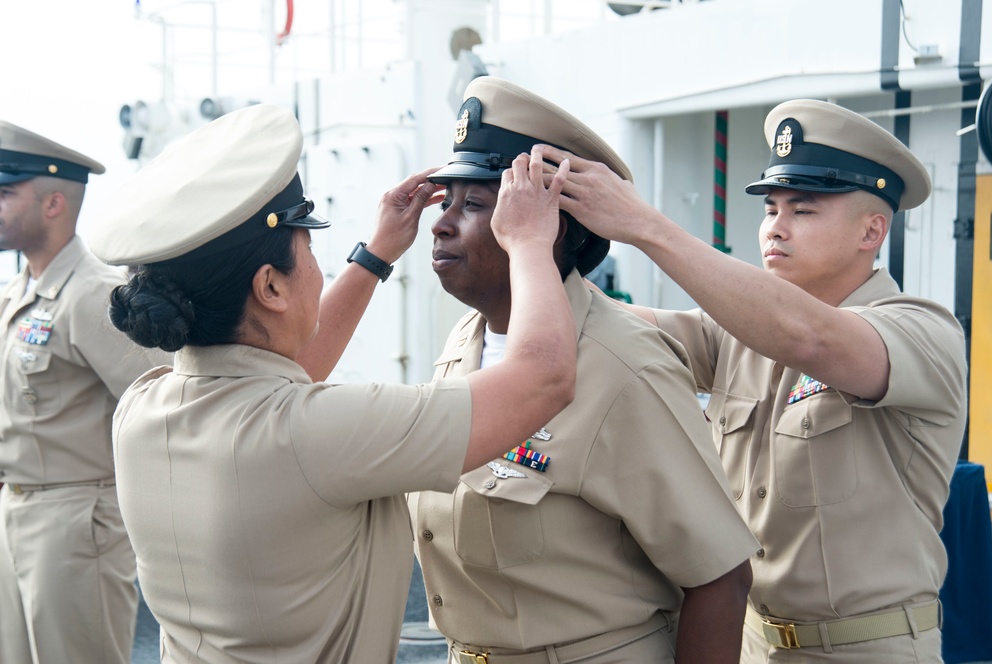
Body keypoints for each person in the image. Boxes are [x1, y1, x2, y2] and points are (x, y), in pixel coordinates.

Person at [86, 102, 578, 664]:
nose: (317, 268)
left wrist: (378, 252)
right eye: (309, 248)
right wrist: (532, 241)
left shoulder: (144, 406)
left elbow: (275, 383)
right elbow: (543, 379)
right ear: (270, 287)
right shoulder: (316, 433)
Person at [536, 99, 967, 662]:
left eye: (803, 211)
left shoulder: (920, 330)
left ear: (872, 230)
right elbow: (620, 327)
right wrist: (540, 245)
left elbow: (809, 337)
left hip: (867, 647)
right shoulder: (741, 332)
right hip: (749, 641)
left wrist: (645, 226)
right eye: (771, 209)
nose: (775, 229)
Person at [409, 76, 759, 664]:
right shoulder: (465, 343)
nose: (441, 223)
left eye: (474, 204)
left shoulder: (624, 364)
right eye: (446, 202)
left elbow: (720, 579)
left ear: (552, 228)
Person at [0, 120, 169, 664]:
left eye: (5, 193)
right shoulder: (21, 291)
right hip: (16, 510)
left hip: (75, 525)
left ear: (53, 204)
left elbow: (163, 403)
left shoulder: (92, 296)